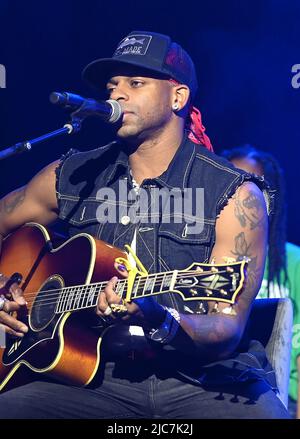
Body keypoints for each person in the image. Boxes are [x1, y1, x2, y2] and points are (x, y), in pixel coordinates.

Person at [0, 31, 290, 419]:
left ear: (178, 97)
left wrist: (158, 316)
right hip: (91, 375)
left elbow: (225, 328)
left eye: (135, 83)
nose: (117, 95)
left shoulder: (234, 194)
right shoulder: (73, 174)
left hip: (203, 383)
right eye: (112, 86)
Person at [221, 144, 300, 418]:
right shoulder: (204, 256)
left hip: (282, 398)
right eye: (230, 182)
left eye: (252, 186)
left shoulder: (294, 261)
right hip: (221, 388)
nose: (240, 195)